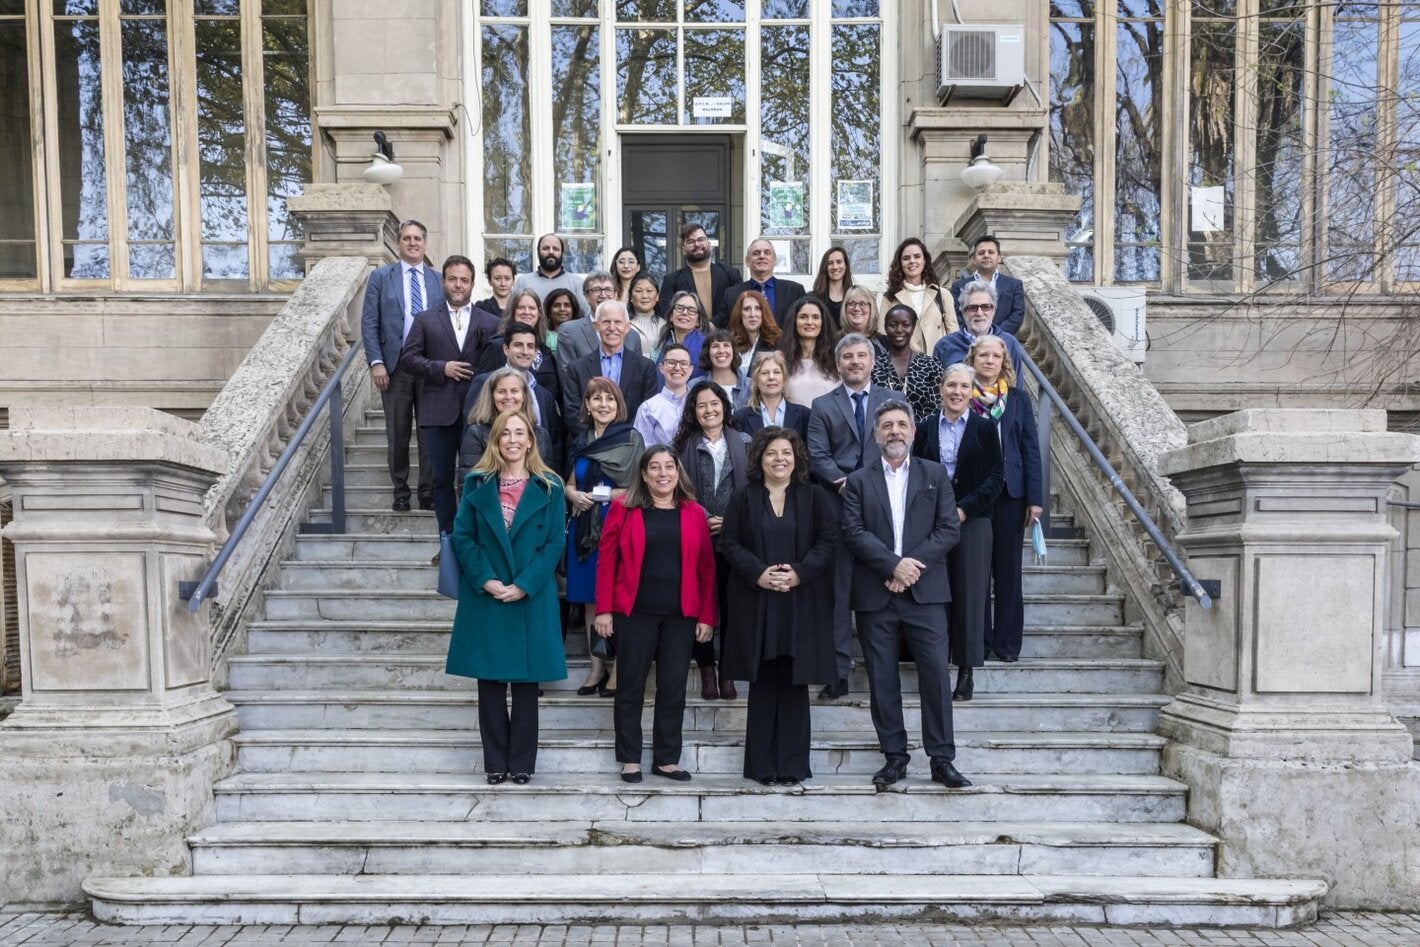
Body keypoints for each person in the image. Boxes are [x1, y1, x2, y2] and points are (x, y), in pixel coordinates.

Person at [842, 400, 970, 789]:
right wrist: (891, 566)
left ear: (914, 432)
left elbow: (949, 529)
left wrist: (910, 566)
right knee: (882, 678)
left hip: (926, 593)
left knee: (934, 676)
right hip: (876, 593)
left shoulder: (934, 475)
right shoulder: (859, 481)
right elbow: (853, 531)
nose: (895, 431)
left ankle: (941, 758)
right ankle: (894, 757)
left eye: (902, 425)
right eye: (887, 426)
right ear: (876, 434)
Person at [446, 410, 567, 785]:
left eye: (520, 433)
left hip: (530, 595)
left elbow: (553, 544)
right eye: (505, 433)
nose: (513, 439)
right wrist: (486, 579)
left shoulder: (551, 486)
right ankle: (495, 762)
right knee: (491, 685)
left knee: (527, 686)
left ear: (531, 440)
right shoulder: (477, 483)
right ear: (496, 440)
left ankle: (523, 764)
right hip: (488, 595)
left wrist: (525, 584)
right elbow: (462, 535)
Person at [719, 427, 838, 785]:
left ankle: (792, 766)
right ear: (760, 459)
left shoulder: (815, 497)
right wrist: (758, 573)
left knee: (794, 683)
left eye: (786, 452)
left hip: (800, 602)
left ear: (797, 458)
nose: (779, 459)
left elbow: (828, 542)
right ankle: (761, 766)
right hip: (757, 601)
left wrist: (799, 573)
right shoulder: (743, 498)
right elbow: (730, 542)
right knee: (763, 682)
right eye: (771, 453)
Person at [595, 446, 716, 783]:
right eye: (655, 467)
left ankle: (666, 759)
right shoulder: (623, 508)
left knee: (673, 688)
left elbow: (707, 568)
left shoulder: (693, 512)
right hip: (634, 613)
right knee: (630, 687)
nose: (663, 473)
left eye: (669, 467)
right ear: (644, 474)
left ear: (678, 472)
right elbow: (607, 562)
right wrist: (603, 609)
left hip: (681, 616)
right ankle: (630, 758)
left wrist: (706, 616)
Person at [806, 333, 896, 699]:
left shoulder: (894, 401)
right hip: (837, 505)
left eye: (862, 356)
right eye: (848, 357)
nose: (855, 362)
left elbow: (900, 446)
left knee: (880, 592)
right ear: (839, 364)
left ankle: (881, 671)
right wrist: (847, 484)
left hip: (885, 509)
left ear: (872, 362)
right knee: (838, 594)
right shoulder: (823, 405)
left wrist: (872, 486)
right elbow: (817, 455)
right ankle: (837, 672)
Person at [912, 364, 1004, 701]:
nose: (957, 392)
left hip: (973, 521)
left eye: (964, 386)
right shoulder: (923, 428)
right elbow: (915, 473)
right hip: (931, 522)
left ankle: (965, 671)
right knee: (932, 591)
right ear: (941, 388)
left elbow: (995, 478)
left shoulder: (984, 428)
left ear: (971, 391)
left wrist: (964, 508)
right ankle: (933, 664)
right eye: (951, 385)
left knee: (970, 593)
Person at [400, 255, 501, 537]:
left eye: (464, 280)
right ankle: (447, 540)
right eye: (453, 279)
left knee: (476, 479)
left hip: (479, 414)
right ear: (444, 281)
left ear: (472, 284)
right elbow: (408, 359)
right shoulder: (425, 319)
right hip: (438, 411)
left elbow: (496, 367)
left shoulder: (491, 322)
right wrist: (440, 367)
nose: (458, 285)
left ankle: (472, 539)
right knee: (441, 480)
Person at [965, 334, 1044, 664]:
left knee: (1009, 571)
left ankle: (1007, 644)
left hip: (1012, 494)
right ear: (973, 359)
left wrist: (1035, 499)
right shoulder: (961, 395)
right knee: (976, 572)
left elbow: (1030, 449)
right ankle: (978, 643)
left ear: (1003, 362)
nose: (989, 360)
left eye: (995, 356)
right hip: (975, 494)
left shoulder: (1017, 399)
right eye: (983, 354)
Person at [564, 378, 643, 699]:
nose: (602, 405)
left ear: (618, 404)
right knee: (589, 601)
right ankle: (597, 667)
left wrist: (600, 495)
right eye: (595, 399)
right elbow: (569, 482)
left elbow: (640, 488)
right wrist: (572, 495)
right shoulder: (580, 439)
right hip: (584, 532)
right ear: (587, 405)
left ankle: (621, 666)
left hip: (619, 526)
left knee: (620, 600)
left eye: (609, 399)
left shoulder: (630, 438)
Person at [360, 219, 445, 512]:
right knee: (398, 433)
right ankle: (400, 490)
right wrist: (376, 362)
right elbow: (370, 322)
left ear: (425, 243)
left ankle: (427, 492)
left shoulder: (437, 280)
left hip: (428, 365)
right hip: (395, 366)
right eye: (407, 238)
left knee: (428, 433)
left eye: (417, 238)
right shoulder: (382, 278)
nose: (412, 243)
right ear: (398, 243)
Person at [674, 380, 751, 701]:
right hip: (695, 534)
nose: (709, 410)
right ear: (693, 410)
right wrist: (705, 517)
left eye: (714, 403)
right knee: (699, 604)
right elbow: (678, 488)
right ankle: (706, 669)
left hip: (736, 537)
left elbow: (754, 490)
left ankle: (728, 672)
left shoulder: (745, 442)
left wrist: (730, 520)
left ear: (724, 407)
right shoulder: (681, 446)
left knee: (734, 607)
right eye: (702, 405)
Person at [465, 324, 563, 472]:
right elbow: (469, 432)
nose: (525, 351)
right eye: (518, 345)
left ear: (536, 352)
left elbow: (553, 446)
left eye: (530, 346)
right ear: (506, 349)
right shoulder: (484, 382)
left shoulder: (544, 395)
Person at [561, 301, 661, 439]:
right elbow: (573, 413)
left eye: (618, 322)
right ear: (596, 326)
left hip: (630, 446)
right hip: (589, 447)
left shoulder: (645, 367)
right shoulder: (577, 368)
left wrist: (623, 440)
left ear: (627, 327)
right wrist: (597, 439)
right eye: (606, 322)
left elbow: (647, 411)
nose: (612, 328)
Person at [458, 366, 555, 480]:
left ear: (524, 395)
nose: (508, 397)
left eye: (514, 391)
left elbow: (547, 480)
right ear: (491, 396)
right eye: (501, 391)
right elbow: (468, 485)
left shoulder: (540, 434)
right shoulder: (476, 434)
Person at [475, 290, 561, 399]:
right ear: (512, 311)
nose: (527, 312)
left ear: (539, 313)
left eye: (532, 308)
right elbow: (481, 389)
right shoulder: (497, 346)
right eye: (521, 307)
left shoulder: (545, 351)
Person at [932, 280, 1026, 379]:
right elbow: (934, 389)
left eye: (986, 307)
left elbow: (1016, 387)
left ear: (994, 310)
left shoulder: (1010, 343)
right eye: (973, 308)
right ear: (963, 312)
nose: (979, 313)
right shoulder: (944, 345)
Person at [872, 303, 946, 425]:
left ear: (913, 327)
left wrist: (912, 431)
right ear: (885, 327)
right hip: (884, 437)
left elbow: (937, 407)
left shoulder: (931, 365)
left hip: (923, 436)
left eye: (905, 325)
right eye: (893, 325)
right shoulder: (876, 366)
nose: (899, 330)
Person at [880, 237, 956, 355]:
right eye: (906, 258)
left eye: (917, 256)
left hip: (937, 363)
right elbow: (883, 336)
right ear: (900, 263)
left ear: (924, 260)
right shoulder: (890, 297)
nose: (912, 261)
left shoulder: (942, 294)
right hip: (904, 365)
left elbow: (953, 334)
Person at [658, 223, 741, 326]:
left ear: (709, 244)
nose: (697, 244)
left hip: (724, 337)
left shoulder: (731, 275)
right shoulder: (671, 280)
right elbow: (666, 311)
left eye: (701, 240)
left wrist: (713, 324)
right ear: (683, 249)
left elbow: (737, 306)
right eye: (691, 242)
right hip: (687, 338)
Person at [949, 235, 1026, 335]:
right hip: (969, 343)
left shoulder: (1014, 285)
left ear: (999, 258)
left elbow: (1017, 314)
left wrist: (995, 334)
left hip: (1003, 342)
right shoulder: (958, 286)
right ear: (973, 259)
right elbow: (956, 315)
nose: (986, 255)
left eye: (991, 252)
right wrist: (974, 333)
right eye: (981, 253)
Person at [722, 237, 806, 327]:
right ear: (747, 261)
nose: (762, 256)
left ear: (774, 260)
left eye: (767, 253)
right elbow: (722, 326)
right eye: (756, 253)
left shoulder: (794, 291)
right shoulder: (731, 294)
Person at [556, 281, 646, 364]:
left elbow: (638, 372)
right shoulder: (569, 330)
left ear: (615, 295)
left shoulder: (633, 336)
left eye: (608, 290)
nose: (603, 295)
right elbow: (568, 374)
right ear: (586, 296)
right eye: (596, 290)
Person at [731, 349, 810, 441]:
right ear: (756, 380)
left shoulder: (804, 415)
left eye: (776, 372)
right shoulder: (741, 417)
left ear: (784, 379)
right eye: (765, 373)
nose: (771, 377)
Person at [779, 295, 840, 407]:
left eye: (815, 317)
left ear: (823, 322)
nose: (810, 322)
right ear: (794, 321)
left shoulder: (836, 360)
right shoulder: (781, 359)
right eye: (803, 317)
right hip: (792, 423)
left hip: (828, 422)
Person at [633, 342, 693, 447]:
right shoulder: (648, 408)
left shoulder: (700, 403)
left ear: (691, 369)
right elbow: (644, 450)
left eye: (683, 363)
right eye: (671, 362)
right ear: (661, 368)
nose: (677, 368)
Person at [512, 233, 586, 315]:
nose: (551, 252)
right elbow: (512, 315)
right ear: (538, 252)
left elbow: (586, 318)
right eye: (546, 248)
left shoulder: (577, 283)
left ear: (562, 253)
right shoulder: (523, 282)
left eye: (555, 249)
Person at [727, 289, 780, 374]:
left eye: (757, 308)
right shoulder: (730, 344)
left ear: (763, 313)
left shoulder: (778, 341)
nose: (752, 314)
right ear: (740, 314)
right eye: (747, 309)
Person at [657, 291, 709, 375]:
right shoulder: (663, 343)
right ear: (671, 316)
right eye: (680, 308)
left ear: (698, 321)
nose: (684, 313)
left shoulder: (706, 345)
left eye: (692, 310)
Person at [700, 329, 748, 410]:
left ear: (733, 351)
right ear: (707, 352)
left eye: (726, 345)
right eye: (715, 346)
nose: (721, 351)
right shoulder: (695, 385)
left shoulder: (750, 386)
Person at [811, 246, 853, 329]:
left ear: (846, 266)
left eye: (839, 262)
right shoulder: (812, 298)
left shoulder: (854, 298)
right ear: (825, 268)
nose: (835, 267)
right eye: (830, 263)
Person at [841, 285, 885, 354]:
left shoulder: (885, 344)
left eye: (862, 304)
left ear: (871, 308)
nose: (857, 309)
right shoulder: (832, 341)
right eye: (852, 303)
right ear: (845, 309)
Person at [626, 273, 663, 356]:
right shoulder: (624, 325)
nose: (644, 296)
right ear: (631, 297)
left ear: (657, 296)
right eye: (639, 291)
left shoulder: (665, 326)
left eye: (649, 291)